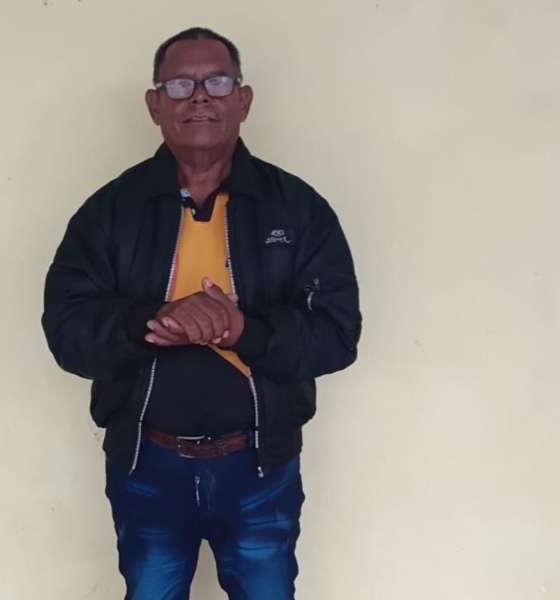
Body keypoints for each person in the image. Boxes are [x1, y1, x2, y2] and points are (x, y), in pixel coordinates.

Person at [42, 26, 361, 600]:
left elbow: (337, 334)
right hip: (148, 465)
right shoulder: (111, 211)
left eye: (216, 82)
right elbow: (68, 332)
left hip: (260, 466)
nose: (198, 97)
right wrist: (154, 321)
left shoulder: (297, 208)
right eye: (179, 84)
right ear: (154, 104)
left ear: (243, 99)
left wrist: (245, 331)